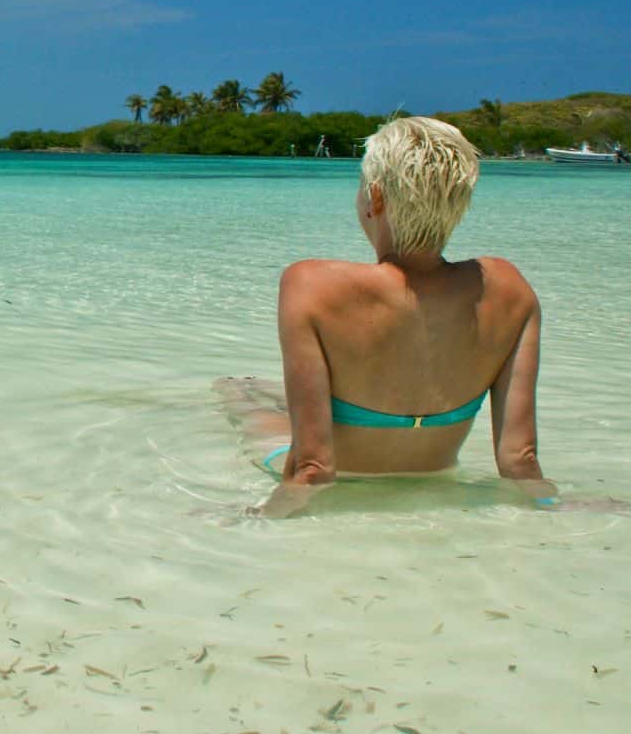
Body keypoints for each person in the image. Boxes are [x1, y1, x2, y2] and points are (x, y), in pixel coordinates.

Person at [217, 116, 557, 517]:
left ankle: (240, 388)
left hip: (347, 474)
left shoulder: (309, 284)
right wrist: (557, 507)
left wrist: (256, 517)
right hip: (433, 473)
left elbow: (313, 468)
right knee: (267, 395)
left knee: (239, 400)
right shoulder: (509, 290)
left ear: (375, 198)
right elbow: (520, 459)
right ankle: (256, 387)